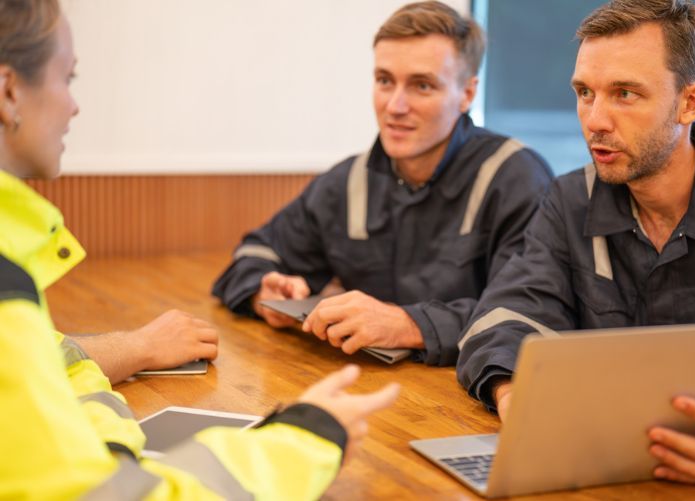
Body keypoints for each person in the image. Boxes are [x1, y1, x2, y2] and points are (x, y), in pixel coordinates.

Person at [0, 1, 398, 498]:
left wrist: (111, 445)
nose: (74, 106)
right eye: (68, 78)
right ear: (9, 92)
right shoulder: (345, 181)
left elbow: (42, 363)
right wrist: (307, 439)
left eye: (422, 85)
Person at [456, 0, 695, 484]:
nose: (595, 119)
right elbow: (505, 315)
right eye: (584, 92)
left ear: (690, 103)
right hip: (605, 471)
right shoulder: (570, 200)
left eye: (624, 93)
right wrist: (517, 397)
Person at [212, 1, 553, 366]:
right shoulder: (348, 181)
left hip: (470, 391)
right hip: (361, 384)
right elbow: (254, 253)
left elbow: (526, 315)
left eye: (422, 85)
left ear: (467, 94)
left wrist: (409, 325)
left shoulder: (517, 179)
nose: (395, 106)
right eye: (385, 81)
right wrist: (263, 290)